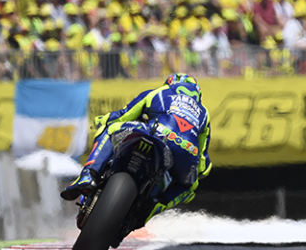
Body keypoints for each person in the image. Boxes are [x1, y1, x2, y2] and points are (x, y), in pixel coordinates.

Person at [61, 73, 212, 227]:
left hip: (156, 132)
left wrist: (102, 120)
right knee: (188, 188)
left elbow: (123, 116)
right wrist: (199, 171)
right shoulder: (204, 113)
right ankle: (152, 206)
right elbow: (203, 163)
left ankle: (88, 176)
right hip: (187, 151)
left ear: (170, 84)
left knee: (111, 129)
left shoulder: (158, 93)